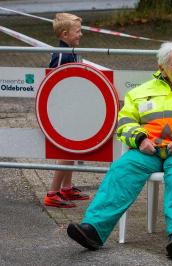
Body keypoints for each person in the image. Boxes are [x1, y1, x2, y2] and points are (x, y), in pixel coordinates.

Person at [67, 42, 172, 260]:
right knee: (121, 169)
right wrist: (139, 139)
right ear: (162, 68)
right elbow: (125, 121)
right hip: (147, 150)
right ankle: (93, 229)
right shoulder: (141, 91)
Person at [43, 13, 89, 208]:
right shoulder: (62, 54)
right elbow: (54, 82)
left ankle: (67, 187)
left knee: (73, 147)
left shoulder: (71, 51)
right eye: (77, 31)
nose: (81, 35)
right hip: (65, 109)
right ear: (64, 34)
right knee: (67, 148)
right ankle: (52, 192)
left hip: (72, 107)